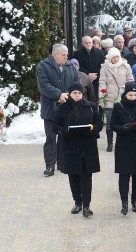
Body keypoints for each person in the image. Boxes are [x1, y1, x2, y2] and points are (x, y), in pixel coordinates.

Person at [53, 82, 102, 217]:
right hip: (70, 146)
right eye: (74, 93)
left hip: (87, 146)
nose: (77, 95)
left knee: (87, 176)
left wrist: (92, 128)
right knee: (73, 176)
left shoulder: (90, 107)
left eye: (79, 93)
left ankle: (87, 206)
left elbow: (99, 124)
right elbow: (55, 126)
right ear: (69, 94)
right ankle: (77, 202)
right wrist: (65, 131)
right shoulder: (62, 108)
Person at [36, 43, 79, 176]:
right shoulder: (43, 66)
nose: (66, 57)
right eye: (63, 55)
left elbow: (76, 83)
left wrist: (67, 95)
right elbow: (43, 85)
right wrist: (58, 95)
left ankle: (62, 163)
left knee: (64, 136)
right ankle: (50, 165)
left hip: (66, 107)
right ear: (55, 55)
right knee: (51, 137)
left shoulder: (70, 67)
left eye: (67, 55)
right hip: (50, 108)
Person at [111, 82, 136, 215]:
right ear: (125, 95)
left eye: (135, 95)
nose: (133, 97)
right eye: (130, 95)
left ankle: (134, 201)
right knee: (124, 174)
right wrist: (122, 129)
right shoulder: (118, 106)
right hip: (124, 144)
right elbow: (113, 124)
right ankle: (124, 202)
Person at [99, 47, 134, 152]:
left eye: (117, 56)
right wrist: (102, 95)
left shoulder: (126, 66)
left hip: (122, 97)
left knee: (123, 121)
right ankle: (110, 143)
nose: (116, 59)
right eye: (113, 57)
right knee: (109, 122)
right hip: (109, 97)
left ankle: (123, 141)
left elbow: (130, 80)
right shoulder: (105, 67)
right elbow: (102, 81)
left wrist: (124, 90)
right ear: (110, 58)